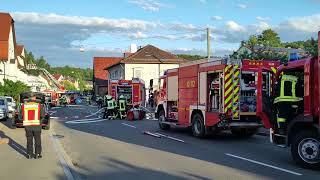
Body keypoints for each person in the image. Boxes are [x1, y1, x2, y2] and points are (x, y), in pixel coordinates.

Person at [23, 95, 44, 159]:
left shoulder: (24, 105)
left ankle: (29, 155)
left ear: (28, 98)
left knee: (29, 140)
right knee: (37, 140)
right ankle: (37, 154)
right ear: (35, 99)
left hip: (28, 126)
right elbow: (42, 115)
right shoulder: (39, 105)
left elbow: (20, 116)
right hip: (37, 126)